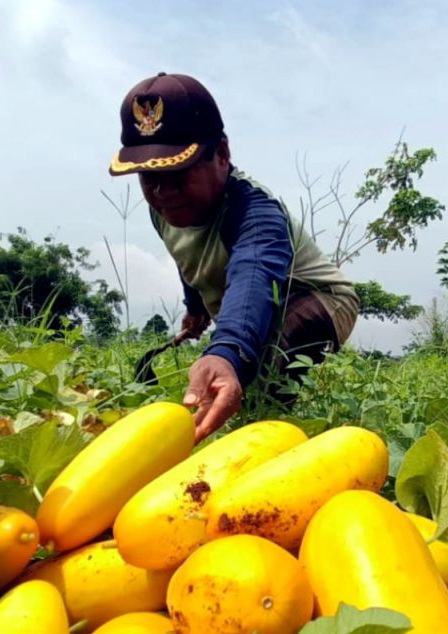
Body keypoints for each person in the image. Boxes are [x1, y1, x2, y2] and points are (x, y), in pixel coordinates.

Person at [108, 72, 359, 443]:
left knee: (260, 380)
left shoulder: (255, 213)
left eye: (177, 173)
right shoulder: (160, 209)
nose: (162, 191)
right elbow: (186, 257)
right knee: (245, 368)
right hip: (247, 309)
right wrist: (194, 306)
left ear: (222, 155)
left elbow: (254, 277)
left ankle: (275, 445)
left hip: (317, 300)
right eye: (148, 177)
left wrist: (226, 351)